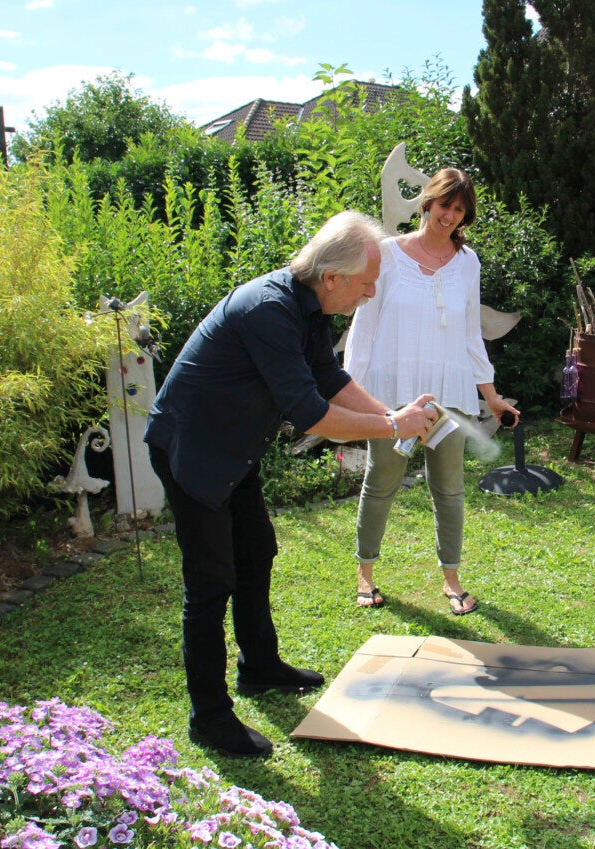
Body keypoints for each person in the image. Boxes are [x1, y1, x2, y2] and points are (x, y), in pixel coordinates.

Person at [144, 210, 439, 759]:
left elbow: (328, 379)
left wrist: (390, 414)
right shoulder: (269, 310)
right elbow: (311, 413)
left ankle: (259, 667)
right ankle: (208, 717)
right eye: (366, 282)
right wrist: (392, 425)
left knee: (257, 550)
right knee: (210, 583)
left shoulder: (306, 307)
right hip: (194, 449)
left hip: (233, 448)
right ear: (332, 277)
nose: (371, 293)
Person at [343, 168, 519, 615]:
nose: (450, 216)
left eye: (460, 210)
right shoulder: (385, 254)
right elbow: (364, 328)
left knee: (449, 489)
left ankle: (452, 580)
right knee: (381, 482)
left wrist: (491, 395)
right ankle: (365, 574)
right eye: (445, 205)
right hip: (392, 395)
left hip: (450, 395)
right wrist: (349, 393)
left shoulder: (468, 262)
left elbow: (470, 334)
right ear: (428, 202)